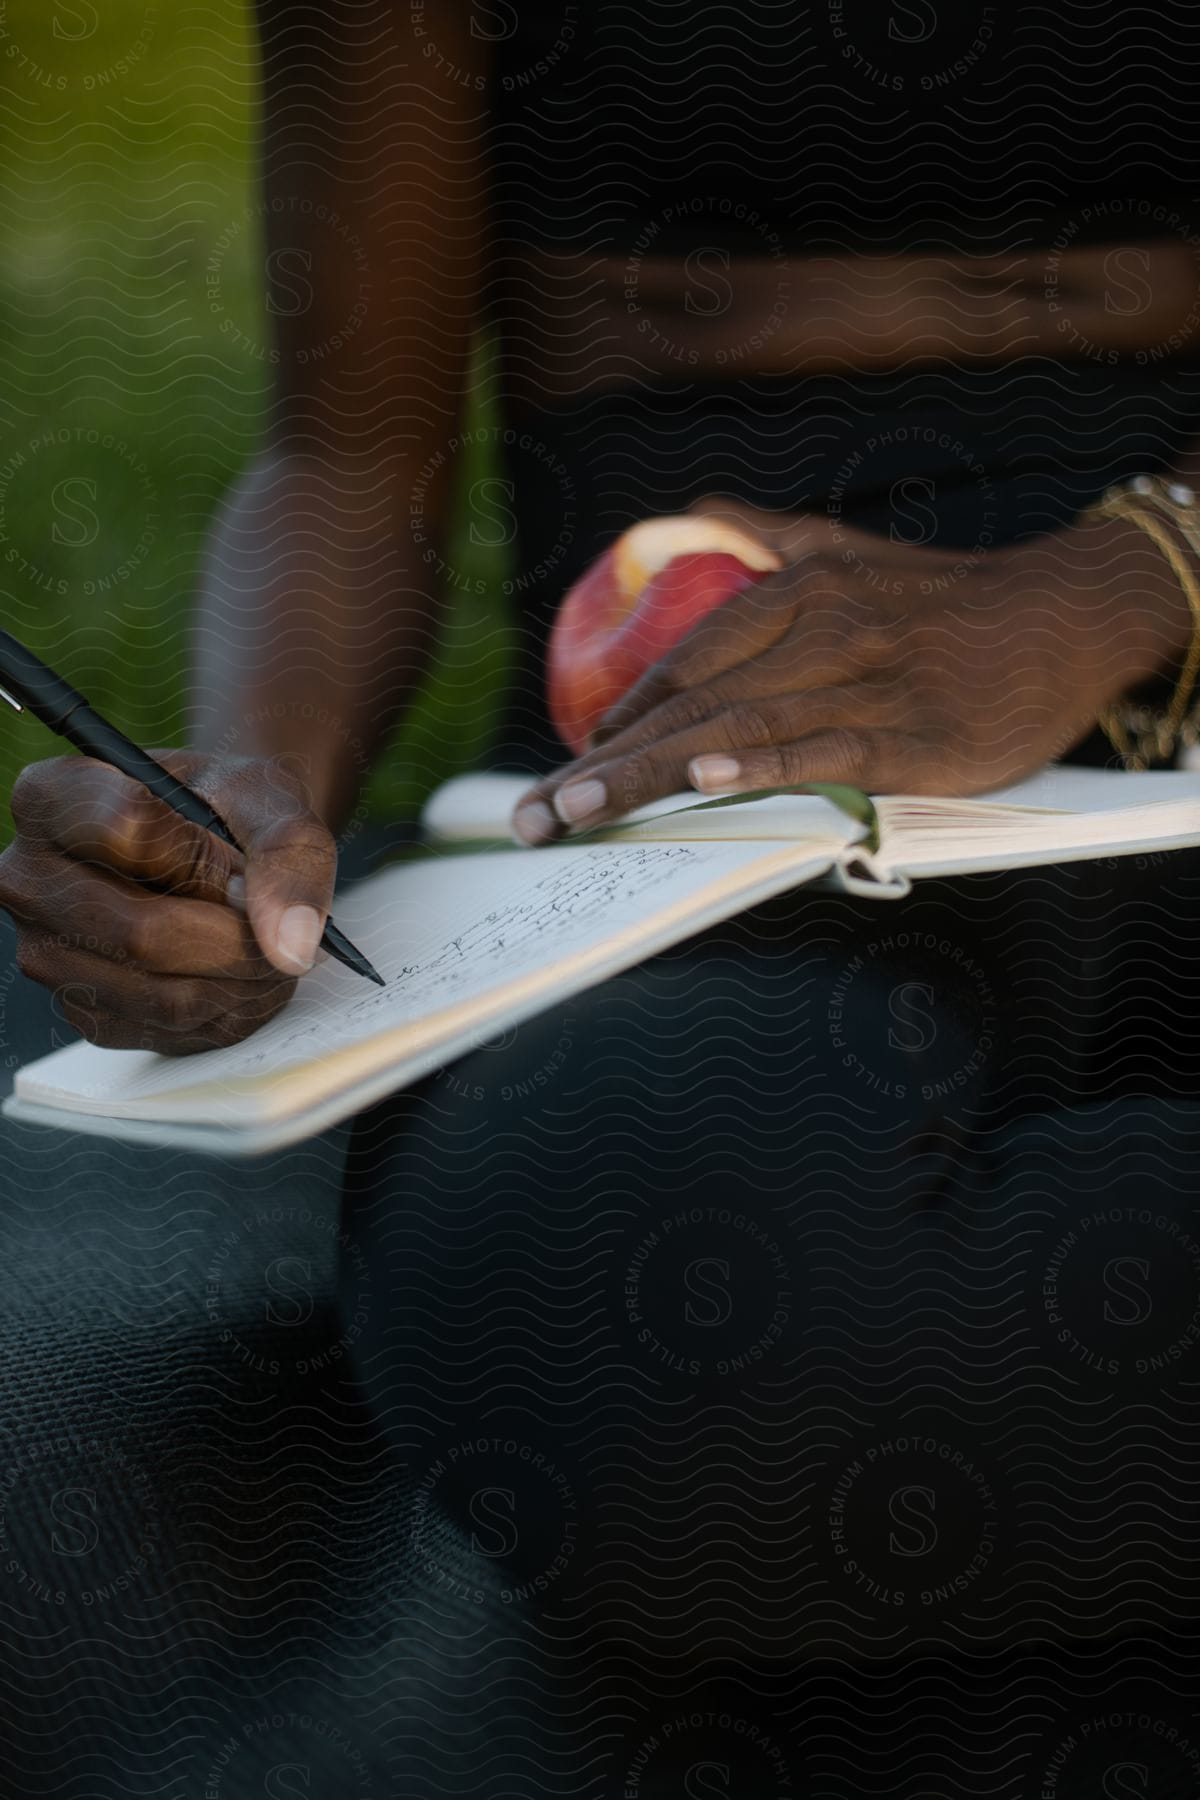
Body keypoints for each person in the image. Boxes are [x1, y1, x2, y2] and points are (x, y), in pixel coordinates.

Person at [4, 2, 1200, 1787]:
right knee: (641, 1341)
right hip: (689, 779)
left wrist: (1115, 582)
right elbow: (344, 464)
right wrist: (247, 789)